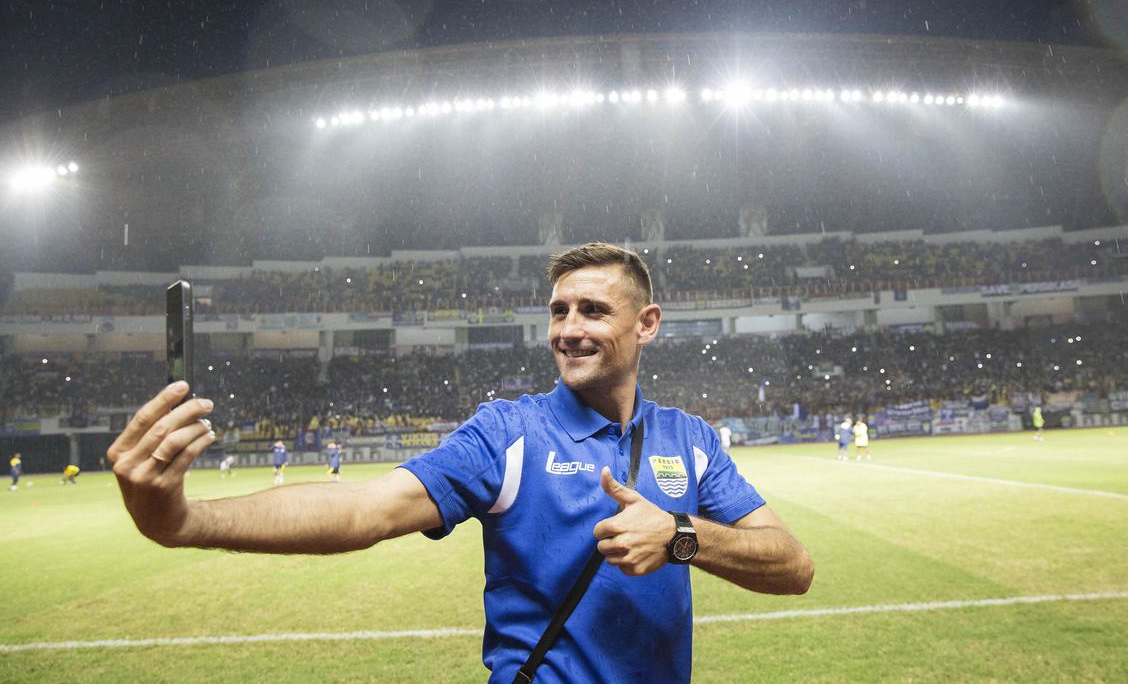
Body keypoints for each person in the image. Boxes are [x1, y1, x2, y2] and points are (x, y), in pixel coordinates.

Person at [104, 242, 813, 683]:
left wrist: (681, 536)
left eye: (593, 311)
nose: (568, 330)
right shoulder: (508, 433)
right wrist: (185, 521)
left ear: (645, 324)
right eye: (558, 311)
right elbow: (363, 509)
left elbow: (792, 566)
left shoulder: (688, 439)